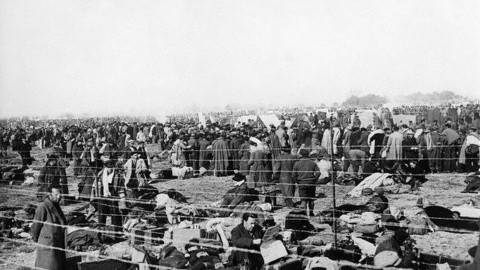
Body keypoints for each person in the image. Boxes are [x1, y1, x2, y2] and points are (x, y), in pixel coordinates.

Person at [31, 185, 67, 270]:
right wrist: (38, 239)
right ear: (49, 195)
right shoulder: (43, 207)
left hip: (57, 244)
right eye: (56, 194)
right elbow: (36, 226)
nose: (59, 197)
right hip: (48, 245)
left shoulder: (57, 206)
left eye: (60, 195)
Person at [292, 148, 320, 216]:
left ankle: (304, 213)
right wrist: (314, 179)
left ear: (301, 155)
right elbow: (318, 173)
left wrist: (297, 181)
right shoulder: (312, 163)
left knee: (303, 200)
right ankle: (311, 212)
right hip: (311, 182)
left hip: (302, 182)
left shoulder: (297, 163)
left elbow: (293, 175)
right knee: (311, 199)